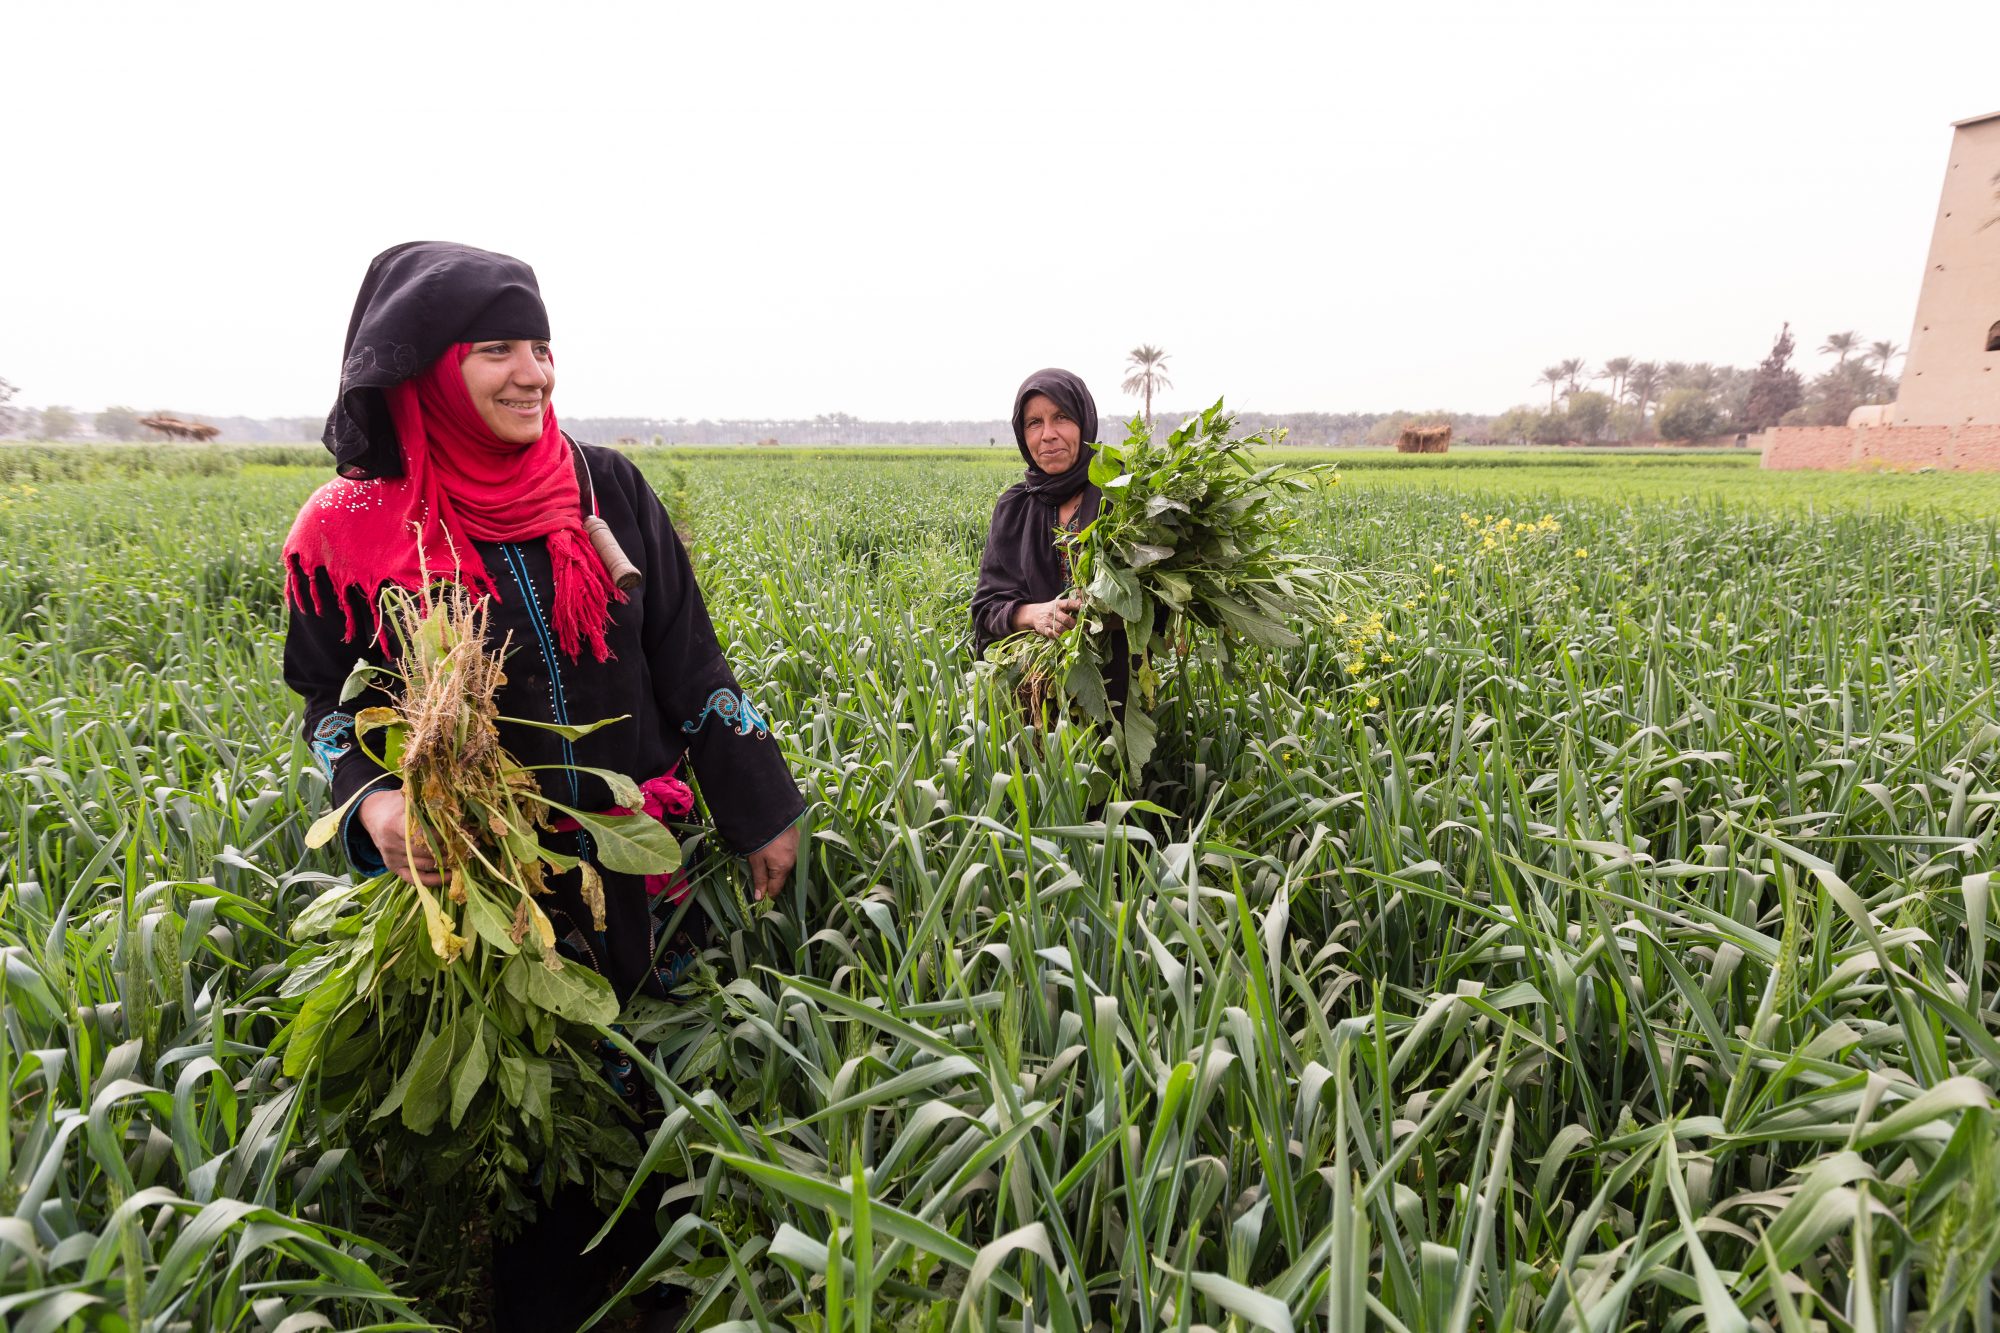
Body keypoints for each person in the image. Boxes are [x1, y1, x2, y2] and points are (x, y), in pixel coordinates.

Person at [281, 241, 804, 1328]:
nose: (534, 374)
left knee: (656, 1095)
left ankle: (665, 1291)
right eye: (498, 350)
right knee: (530, 1130)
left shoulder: (600, 485)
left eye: (543, 348)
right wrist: (373, 802)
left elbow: (689, 660)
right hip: (485, 883)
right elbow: (327, 703)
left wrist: (758, 804)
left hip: (638, 866)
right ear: (427, 367)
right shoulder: (352, 527)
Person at [970, 368, 1133, 707]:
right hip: (1031, 691)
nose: (1048, 434)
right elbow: (986, 608)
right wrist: (1033, 614)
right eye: (1034, 423)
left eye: (1061, 417)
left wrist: (1103, 614)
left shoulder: (1122, 495)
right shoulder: (1013, 508)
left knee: (1110, 759)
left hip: (1116, 694)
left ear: (1084, 421)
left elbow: (1155, 604)